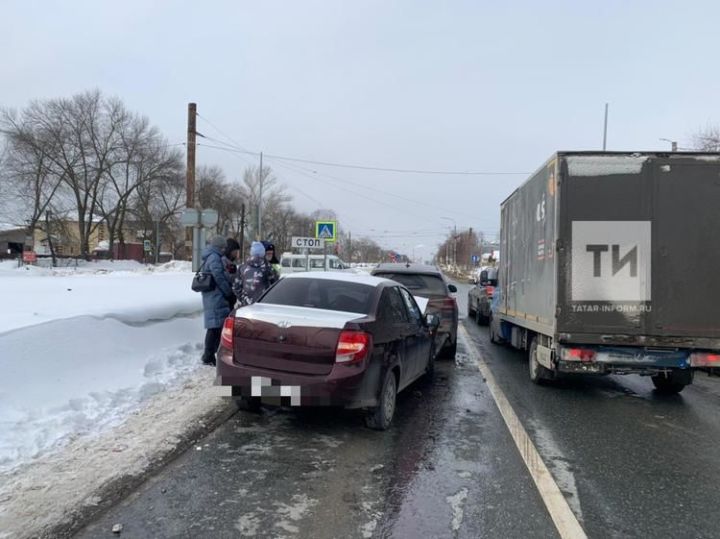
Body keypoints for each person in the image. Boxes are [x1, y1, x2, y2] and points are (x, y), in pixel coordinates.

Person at [200, 235, 235, 366]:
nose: (224, 249)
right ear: (219, 247)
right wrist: (228, 292)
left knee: (216, 326)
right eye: (223, 247)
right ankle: (208, 356)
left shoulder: (212, 256)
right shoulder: (214, 258)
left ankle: (211, 354)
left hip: (213, 295)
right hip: (216, 296)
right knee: (214, 327)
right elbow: (219, 277)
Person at [234, 241, 277, 306]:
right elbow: (275, 285)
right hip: (263, 303)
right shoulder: (268, 267)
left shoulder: (242, 267)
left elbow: (236, 287)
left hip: (246, 305)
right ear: (263, 253)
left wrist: (243, 299)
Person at [223, 238, 241, 308]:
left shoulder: (230, 262)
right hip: (226, 297)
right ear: (230, 250)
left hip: (230, 297)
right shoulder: (224, 262)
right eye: (235, 251)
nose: (237, 253)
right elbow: (227, 278)